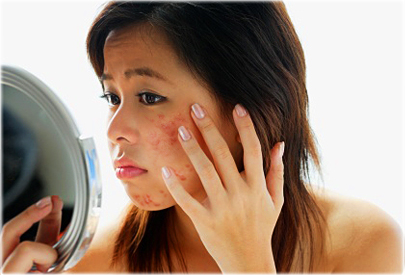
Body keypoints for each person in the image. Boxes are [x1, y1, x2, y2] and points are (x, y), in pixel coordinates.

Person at [1, 2, 403, 273]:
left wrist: (249, 263)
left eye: (149, 96)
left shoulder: (361, 244)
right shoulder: (96, 263)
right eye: (112, 97)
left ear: (254, 107)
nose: (114, 131)